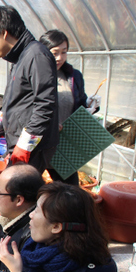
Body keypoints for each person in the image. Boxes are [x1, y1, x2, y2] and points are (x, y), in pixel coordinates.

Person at [0, 6, 59, 173]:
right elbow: (17, 101)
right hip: (20, 144)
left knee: (15, 194)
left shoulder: (36, 56)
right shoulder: (20, 59)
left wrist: (25, 146)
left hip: (33, 148)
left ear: (3, 32)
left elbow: (45, 104)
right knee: (10, 193)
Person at [39, 29, 98, 185]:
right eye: (55, 52)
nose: (60, 58)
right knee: (30, 188)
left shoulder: (73, 76)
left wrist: (91, 106)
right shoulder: (35, 74)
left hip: (63, 144)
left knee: (70, 190)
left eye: (64, 52)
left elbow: (79, 103)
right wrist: (50, 125)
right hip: (39, 143)